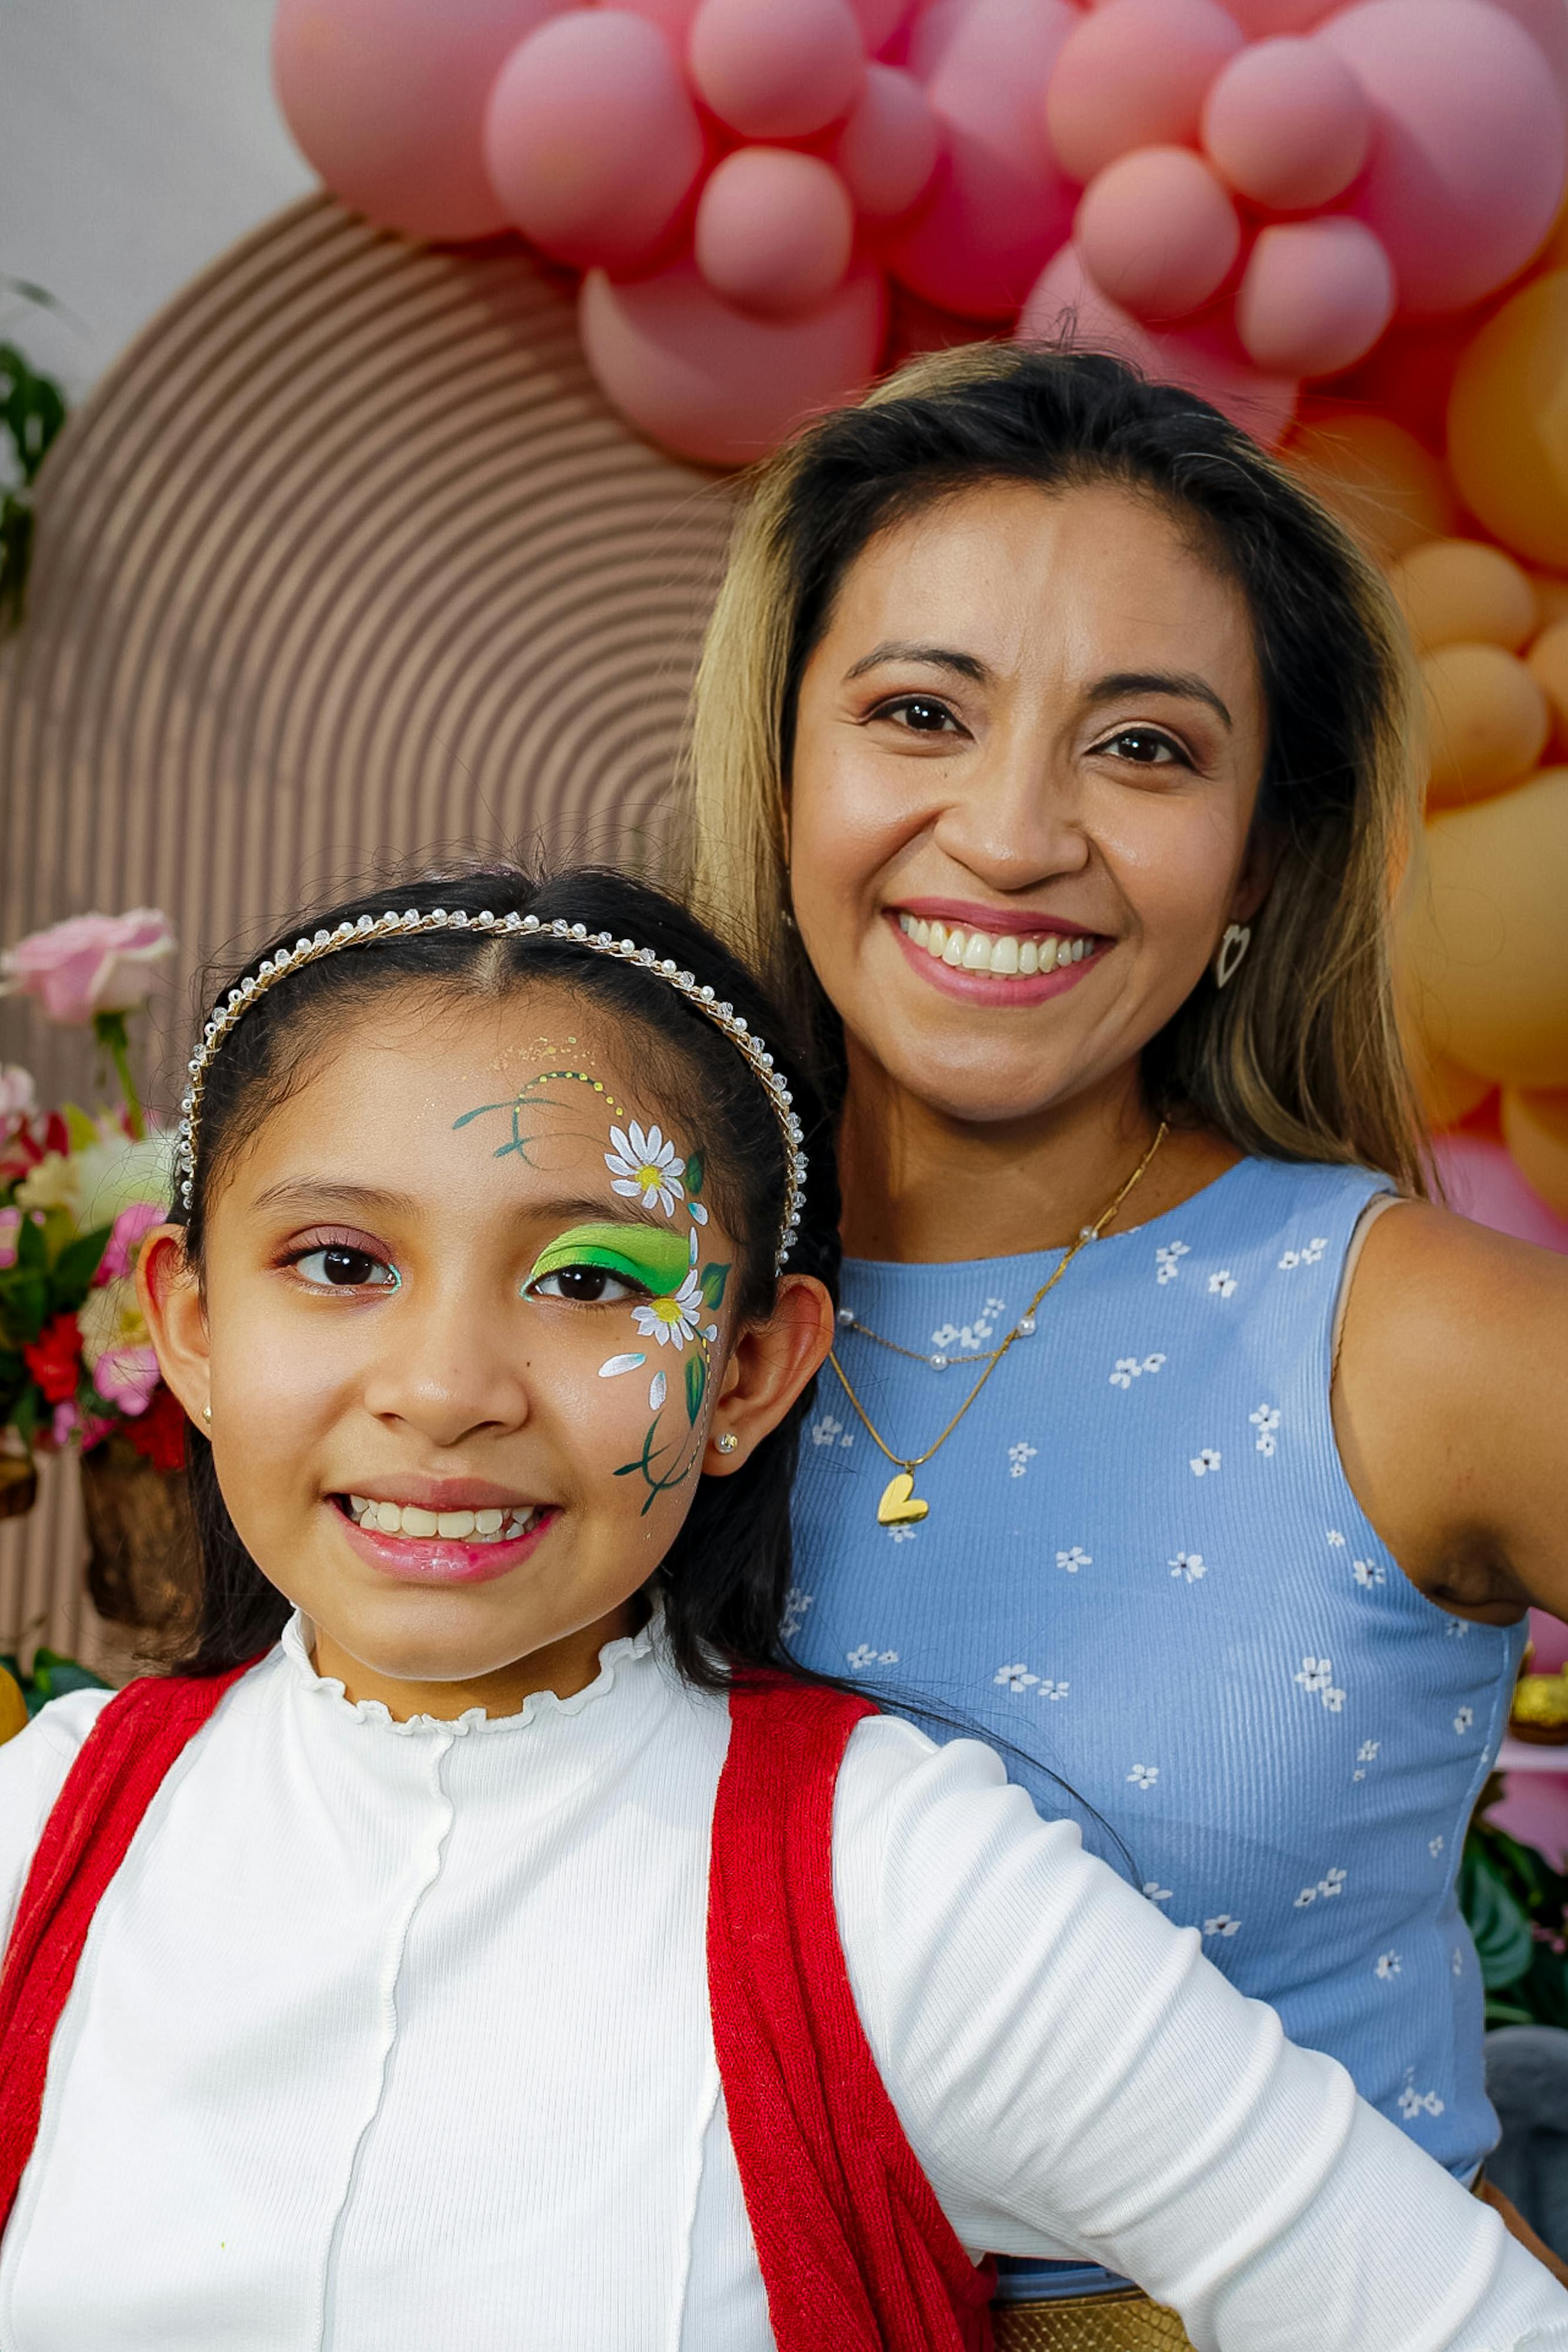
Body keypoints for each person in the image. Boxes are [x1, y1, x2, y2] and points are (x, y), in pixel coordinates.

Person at [1, 862, 1564, 2352]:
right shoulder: (40, 1831)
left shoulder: (906, 1886)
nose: (443, 1391)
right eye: (340, 1261)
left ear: (748, 1370)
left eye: (590, 1281)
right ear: (190, 1327)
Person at [683, 342, 1568, 2338]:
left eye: (1143, 749)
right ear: (783, 765)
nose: (1007, 835)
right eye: (918, 713)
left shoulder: (1408, 1334)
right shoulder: (611, 1288)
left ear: (1260, 852)